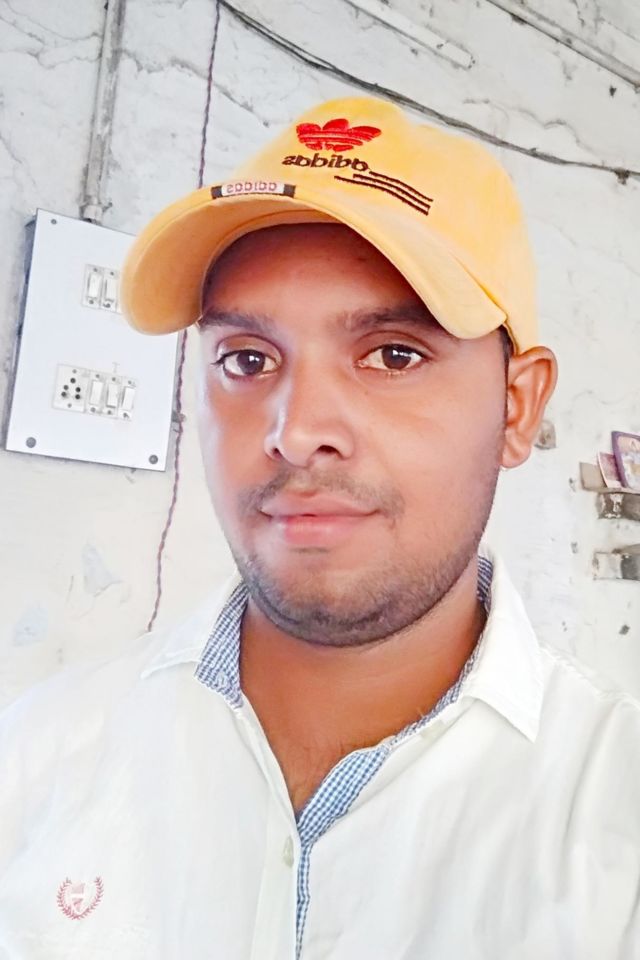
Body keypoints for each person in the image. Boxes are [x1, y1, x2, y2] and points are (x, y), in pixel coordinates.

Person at [1, 96, 638, 959]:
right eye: (247, 360)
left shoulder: (614, 824)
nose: (296, 431)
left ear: (517, 407)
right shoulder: (38, 760)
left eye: (393, 355)